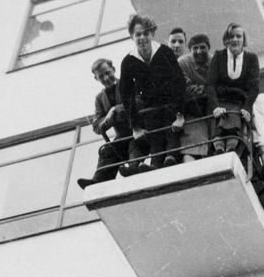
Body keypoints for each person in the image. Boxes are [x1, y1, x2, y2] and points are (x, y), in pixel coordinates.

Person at [119, 14, 186, 171]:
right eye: (138, 34)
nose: (142, 37)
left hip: (170, 104)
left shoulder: (164, 52)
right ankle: (154, 165)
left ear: (152, 34)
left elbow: (179, 82)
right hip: (150, 107)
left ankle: (170, 158)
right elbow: (126, 95)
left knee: (172, 132)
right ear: (131, 36)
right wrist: (135, 127)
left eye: (145, 33)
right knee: (155, 137)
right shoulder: (128, 61)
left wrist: (180, 115)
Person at [76, 58, 145, 189]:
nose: (106, 78)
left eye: (107, 73)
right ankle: (98, 182)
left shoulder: (129, 84)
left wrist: (115, 110)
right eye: (101, 76)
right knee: (107, 150)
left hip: (140, 131)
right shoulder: (99, 98)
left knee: (134, 145)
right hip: (122, 137)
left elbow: (140, 102)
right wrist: (108, 118)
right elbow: (97, 126)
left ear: (113, 70)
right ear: (96, 79)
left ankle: (133, 169)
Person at [206, 23, 260, 155]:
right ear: (226, 40)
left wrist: (247, 108)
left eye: (238, 36)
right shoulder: (219, 56)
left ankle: (230, 150)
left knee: (235, 126)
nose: (235, 39)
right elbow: (209, 85)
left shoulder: (251, 58)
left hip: (239, 104)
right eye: (231, 36)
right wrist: (215, 107)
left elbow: (254, 87)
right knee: (218, 127)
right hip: (219, 102)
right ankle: (219, 150)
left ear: (243, 39)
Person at [177, 33, 212, 162]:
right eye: (195, 48)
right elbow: (184, 90)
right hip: (193, 112)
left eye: (202, 47)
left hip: (212, 110)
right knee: (191, 148)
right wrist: (209, 90)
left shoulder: (215, 63)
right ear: (190, 50)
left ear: (209, 48)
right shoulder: (183, 63)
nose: (199, 51)